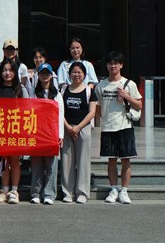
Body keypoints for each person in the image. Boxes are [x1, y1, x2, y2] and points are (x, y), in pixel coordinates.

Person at [96, 51, 142, 205]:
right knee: (111, 160)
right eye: (110, 63)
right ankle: (114, 189)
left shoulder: (129, 84)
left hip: (125, 126)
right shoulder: (101, 86)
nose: (113, 66)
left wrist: (127, 96)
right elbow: (97, 108)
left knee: (126, 160)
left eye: (116, 63)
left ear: (121, 65)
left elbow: (139, 105)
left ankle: (124, 190)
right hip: (108, 127)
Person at [0, 59, 27, 204]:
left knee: (15, 161)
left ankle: (14, 191)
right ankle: (4, 191)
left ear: (15, 73)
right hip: (0, 129)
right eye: (4, 70)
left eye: (10, 70)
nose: (7, 73)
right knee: (3, 161)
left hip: (16, 130)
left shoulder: (21, 90)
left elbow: (27, 110)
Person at [60, 61, 98, 204]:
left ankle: (82, 192)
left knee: (83, 161)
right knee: (66, 161)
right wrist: (68, 127)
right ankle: (67, 192)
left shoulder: (89, 91)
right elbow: (59, 110)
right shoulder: (63, 90)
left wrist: (78, 127)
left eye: (79, 72)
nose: (76, 75)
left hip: (83, 129)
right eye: (74, 72)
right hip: (66, 128)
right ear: (69, 74)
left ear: (84, 75)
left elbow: (92, 112)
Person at [29, 63, 64, 205]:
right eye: (42, 73)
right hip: (37, 133)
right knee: (37, 165)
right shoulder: (33, 93)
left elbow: (60, 114)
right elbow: (29, 112)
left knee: (51, 166)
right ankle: (36, 193)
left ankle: (49, 194)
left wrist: (60, 135)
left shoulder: (57, 94)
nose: (44, 75)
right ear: (38, 75)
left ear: (51, 75)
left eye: (47, 73)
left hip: (51, 134)